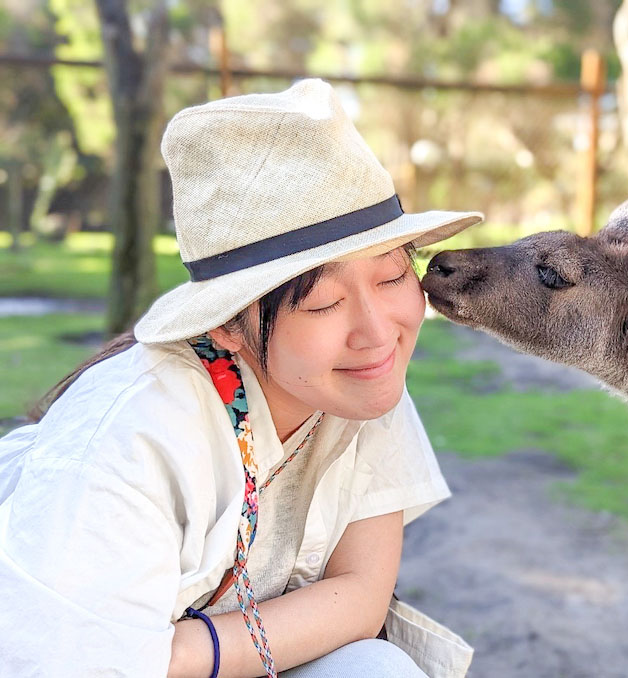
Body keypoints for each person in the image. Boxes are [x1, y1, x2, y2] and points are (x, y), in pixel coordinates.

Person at [0, 79, 482, 678]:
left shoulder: (358, 379)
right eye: (323, 303)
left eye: (390, 278)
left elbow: (362, 596)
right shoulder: (129, 442)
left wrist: (170, 652)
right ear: (227, 324)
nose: (378, 332)